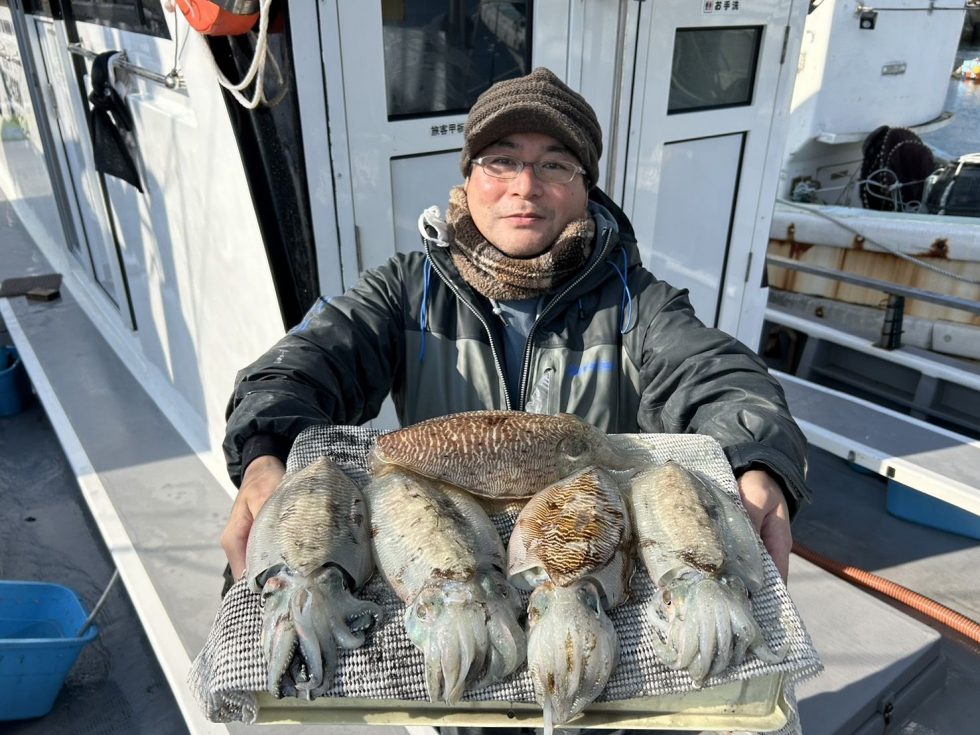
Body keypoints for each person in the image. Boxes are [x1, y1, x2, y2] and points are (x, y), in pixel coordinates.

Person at [221, 67, 809, 593]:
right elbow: (299, 367)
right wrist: (266, 450)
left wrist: (754, 462)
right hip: (440, 560)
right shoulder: (403, 289)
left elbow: (722, 380)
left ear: (586, 188)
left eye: (554, 164)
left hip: (590, 564)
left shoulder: (639, 302)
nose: (524, 186)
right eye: (501, 160)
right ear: (469, 177)